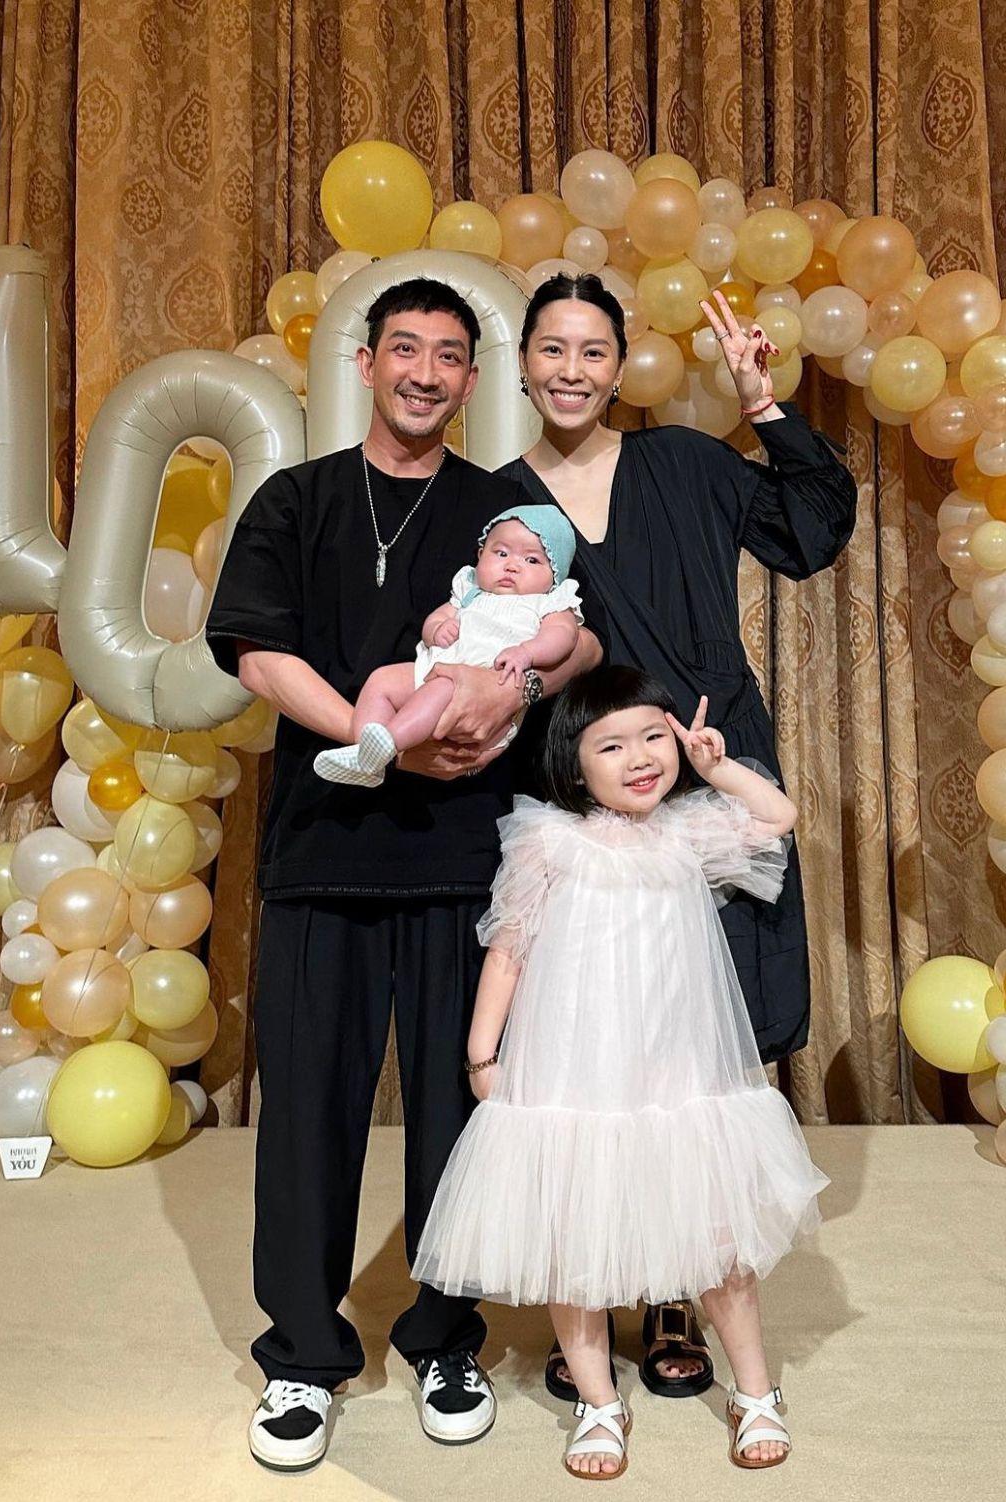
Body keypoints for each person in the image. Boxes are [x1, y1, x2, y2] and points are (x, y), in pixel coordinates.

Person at [204, 276, 602, 1473]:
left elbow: (580, 634)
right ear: (366, 361)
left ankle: (444, 1336)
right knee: (305, 1113)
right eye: (404, 349)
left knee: (456, 1115)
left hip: (465, 859)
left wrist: (513, 687)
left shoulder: (503, 508)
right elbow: (259, 652)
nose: (425, 372)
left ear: (473, 379)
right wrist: (378, 741)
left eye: (448, 355)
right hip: (324, 852)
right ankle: (303, 1354)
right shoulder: (297, 499)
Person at [498, 272, 857, 1405]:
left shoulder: (688, 463)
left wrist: (762, 404)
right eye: (552, 348)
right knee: (591, 1043)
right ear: (522, 363)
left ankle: (674, 1297)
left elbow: (810, 530)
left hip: (709, 760)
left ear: (620, 366)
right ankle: (592, 1287)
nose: (572, 370)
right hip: (577, 790)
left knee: (700, 1044)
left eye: (593, 351)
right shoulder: (498, 505)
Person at [414, 665, 830, 1478]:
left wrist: (718, 768)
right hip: (573, 1070)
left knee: (718, 1238)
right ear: (573, 765)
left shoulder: (687, 830)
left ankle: (754, 1390)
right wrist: (482, 1054)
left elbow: (777, 816)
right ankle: (599, 1402)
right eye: (612, 746)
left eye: (652, 737)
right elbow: (508, 949)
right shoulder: (548, 840)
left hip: (679, 1068)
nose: (640, 758)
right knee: (573, 1239)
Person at [314, 505, 583, 788]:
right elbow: (437, 618)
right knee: (381, 680)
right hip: (435, 669)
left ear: (555, 575)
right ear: (481, 554)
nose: (512, 566)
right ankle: (365, 756)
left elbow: (564, 636)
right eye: (501, 553)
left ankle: (388, 744)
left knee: (442, 685)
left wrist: (528, 652)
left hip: (480, 693)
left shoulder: (548, 601)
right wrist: (436, 630)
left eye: (531, 560)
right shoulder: (470, 591)